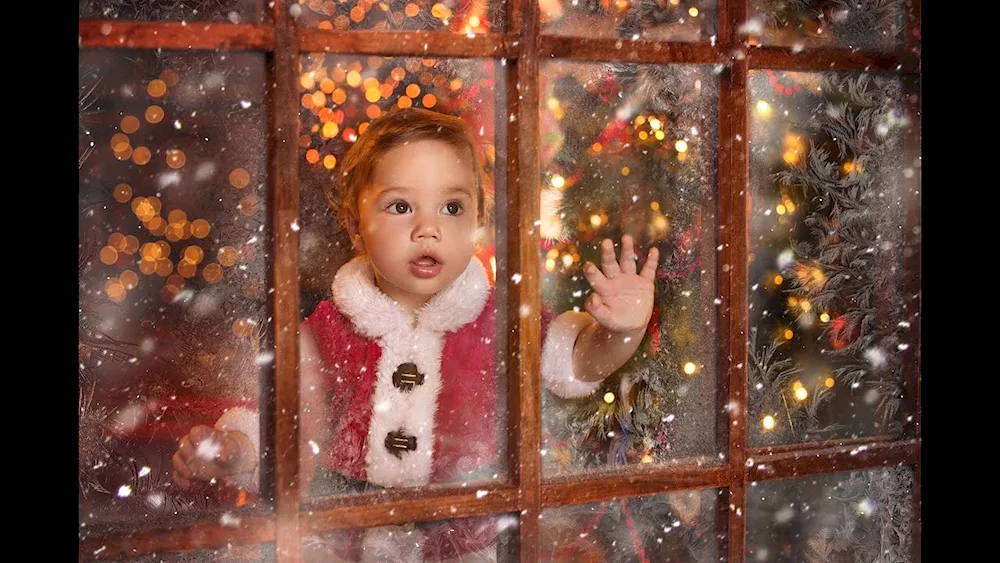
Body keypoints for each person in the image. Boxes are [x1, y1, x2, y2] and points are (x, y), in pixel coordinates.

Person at [170, 107, 659, 560]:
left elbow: (578, 361)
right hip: (346, 545)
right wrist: (238, 450)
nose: (428, 228)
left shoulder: (504, 322)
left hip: (465, 547)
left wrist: (621, 331)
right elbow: (293, 423)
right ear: (355, 227)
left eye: (451, 208)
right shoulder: (328, 329)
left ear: (477, 222)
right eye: (401, 207)